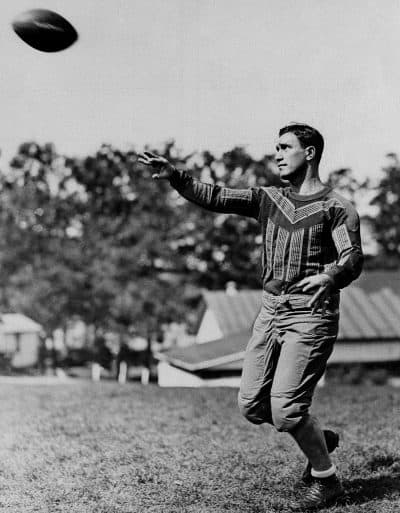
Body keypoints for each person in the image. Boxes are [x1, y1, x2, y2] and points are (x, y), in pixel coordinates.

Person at [139, 123, 363, 510]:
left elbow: (352, 258)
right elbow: (215, 196)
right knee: (252, 406)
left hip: (311, 315)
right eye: (275, 147)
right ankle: (318, 442)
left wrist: (331, 275)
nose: (276, 154)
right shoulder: (269, 199)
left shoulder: (338, 208)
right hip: (270, 311)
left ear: (309, 153)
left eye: (285, 147)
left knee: (288, 408)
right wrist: (175, 176)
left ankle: (327, 482)